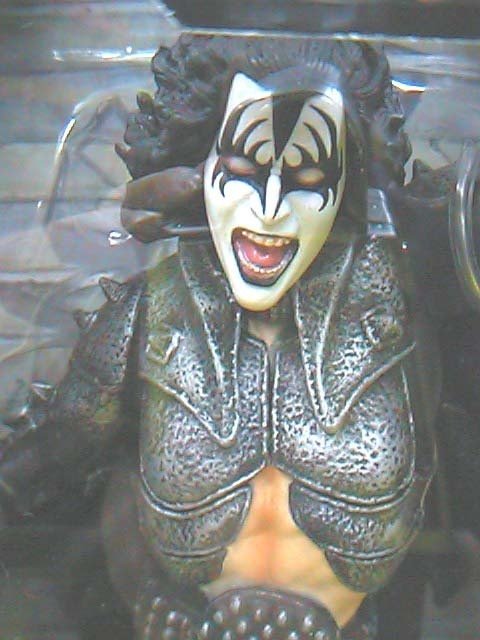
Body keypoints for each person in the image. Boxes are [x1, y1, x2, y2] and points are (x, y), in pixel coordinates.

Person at [0, 35, 438, 639]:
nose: (270, 208)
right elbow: (54, 453)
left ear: (345, 190)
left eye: (309, 178)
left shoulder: (395, 306)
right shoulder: (153, 313)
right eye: (242, 172)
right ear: (198, 174)